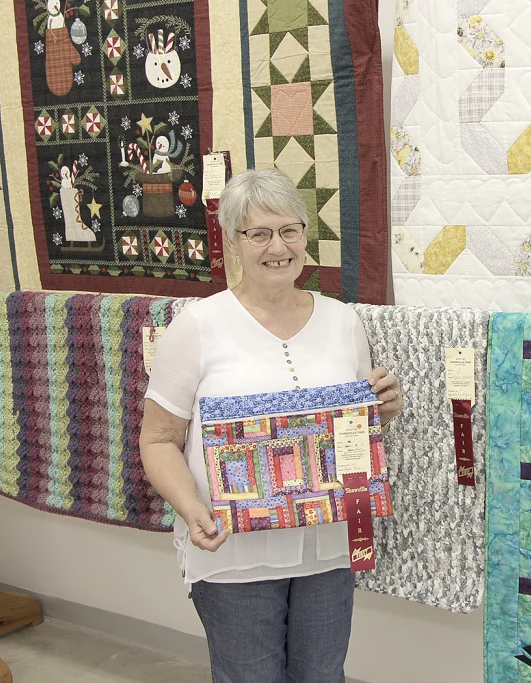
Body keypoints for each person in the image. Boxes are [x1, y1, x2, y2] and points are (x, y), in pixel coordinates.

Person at [139, 167, 404, 683]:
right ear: (233, 242)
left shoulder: (343, 322)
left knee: (322, 675)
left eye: (289, 230)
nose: (277, 246)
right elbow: (158, 439)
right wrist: (191, 509)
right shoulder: (196, 327)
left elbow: (348, 433)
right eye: (258, 233)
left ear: (305, 236)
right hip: (234, 550)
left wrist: (380, 415)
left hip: (327, 546)